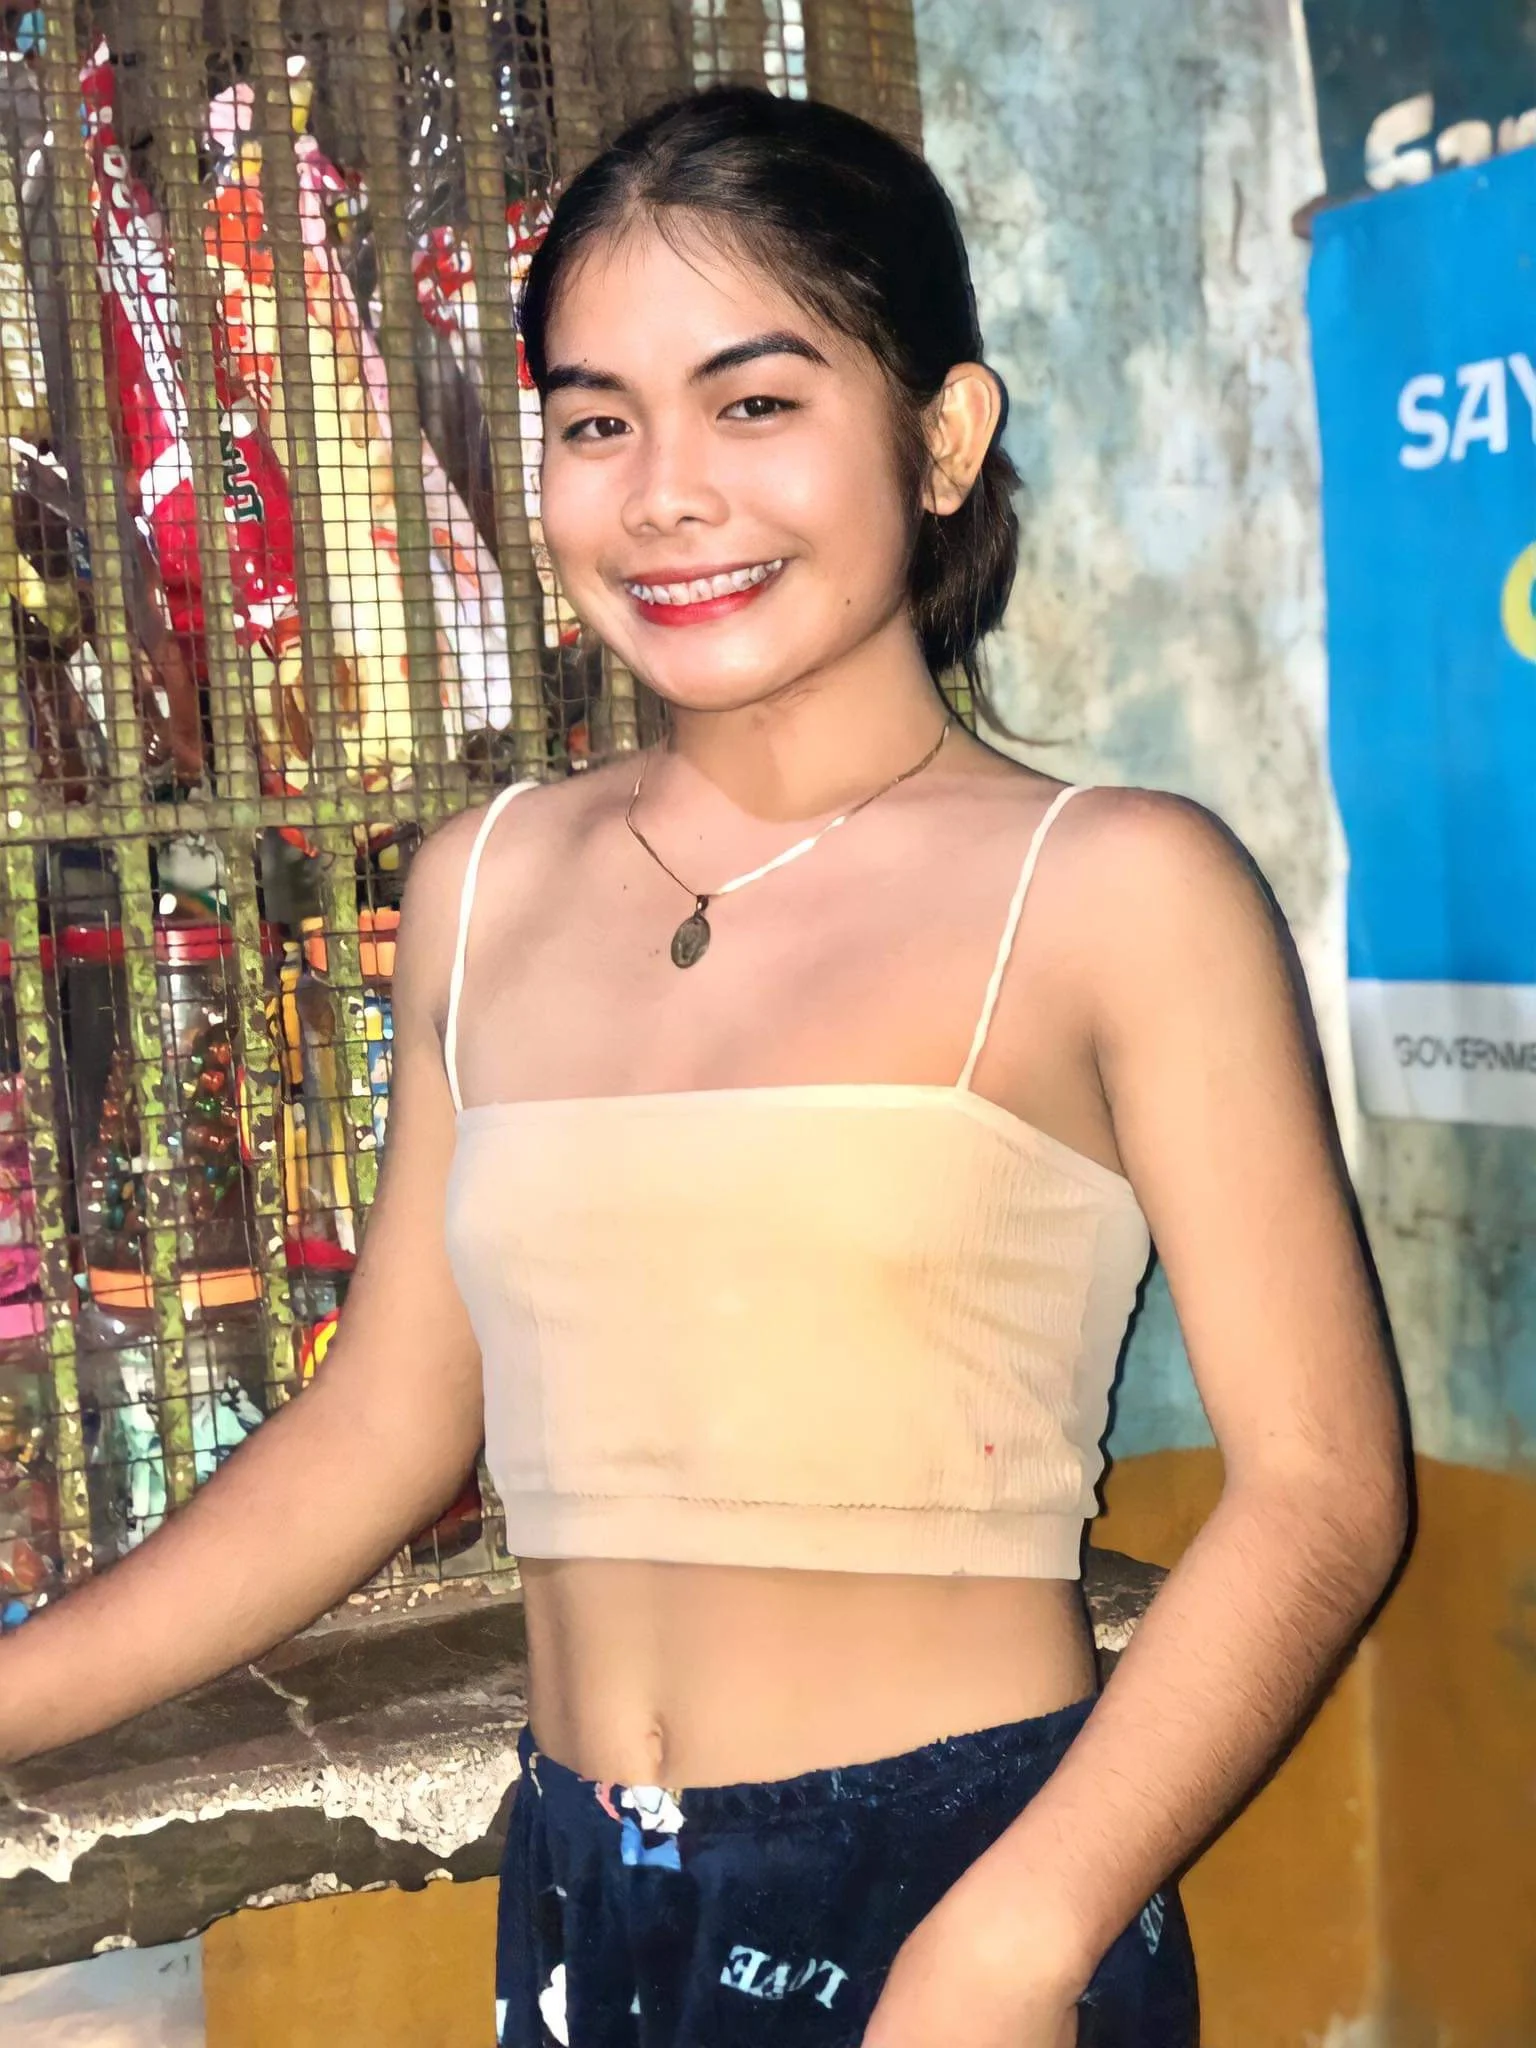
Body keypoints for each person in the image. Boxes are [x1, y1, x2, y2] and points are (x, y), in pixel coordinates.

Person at [0, 85, 1407, 2048]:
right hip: (585, 1890)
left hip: (958, 1889)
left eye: (753, 403)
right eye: (597, 422)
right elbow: (383, 1430)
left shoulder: (1114, 890)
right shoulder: (485, 882)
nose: (663, 494)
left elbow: (1324, 1487)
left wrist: (1011, 1943)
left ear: (942, 437)